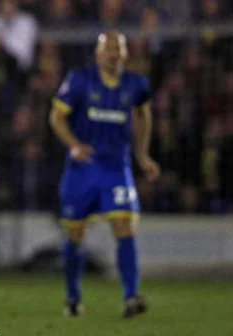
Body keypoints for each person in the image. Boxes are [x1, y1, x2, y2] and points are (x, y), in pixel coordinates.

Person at [49, 31, 161, 318]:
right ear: (97, 53)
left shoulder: (136, 84)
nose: (113, 54)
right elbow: (57, 117)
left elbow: (144, 115)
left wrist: (142, 155)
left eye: (118, 48)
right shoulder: (79, 80)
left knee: (125, 226)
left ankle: (131, 297)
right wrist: (74, 145)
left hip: (116, 168)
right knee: (75, 234)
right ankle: (73, 299)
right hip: (82, 170)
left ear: (125, 53)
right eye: (108, 48)